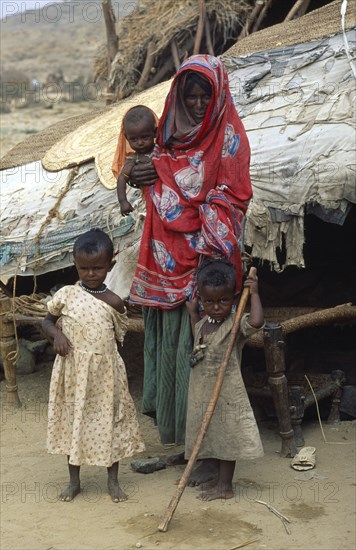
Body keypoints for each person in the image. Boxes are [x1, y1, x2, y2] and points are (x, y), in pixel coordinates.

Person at [128, 54, 252, 483]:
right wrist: (149, 175)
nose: (199, 104)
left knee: (207, 360)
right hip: (167, 260)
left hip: (207, 268)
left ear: (218, 95)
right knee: (179, 351)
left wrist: (173, 187)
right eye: (191, 96)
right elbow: (146, 172)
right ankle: (184, 441)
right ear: (178, 97)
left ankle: (209, 451)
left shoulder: (230, 135)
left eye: (206, 95)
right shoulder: (163, 135)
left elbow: (233, 197)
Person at [42, 229, 145, 502]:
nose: (90, 274)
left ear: (110, 266)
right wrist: (58, 335)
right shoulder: (67, 294)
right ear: (75, 265)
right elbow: (47, 321)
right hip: (74, 372)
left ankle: (113, 482)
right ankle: (74, 481)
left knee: (110, 423)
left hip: (105, 375)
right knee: (73, 422)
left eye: (97, 268)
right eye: (84, 268)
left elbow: (117, 338)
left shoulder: (115, 302)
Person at [185, 259, 264, 501]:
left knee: (227, 437)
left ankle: (225, 486)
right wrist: (192, 313)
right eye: (209, 301)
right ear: (201, 298)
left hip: (226, 394)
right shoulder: (202, 324)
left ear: (233, 297)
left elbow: (257, 322)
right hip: (203, 392)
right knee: (210, 433)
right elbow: (198, 341)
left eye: (223, 301)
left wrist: (255, 294)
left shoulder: (234, 324)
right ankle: (211, 471)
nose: (216, 307)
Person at [112, 105, 157, 216]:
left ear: (155, 133)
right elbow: (122, 178)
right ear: (127, 138)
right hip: (153, 201)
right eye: (134, 139)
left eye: (145, 137)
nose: (140, 143)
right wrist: (123, 201)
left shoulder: (162, 149)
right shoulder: (133, 159)